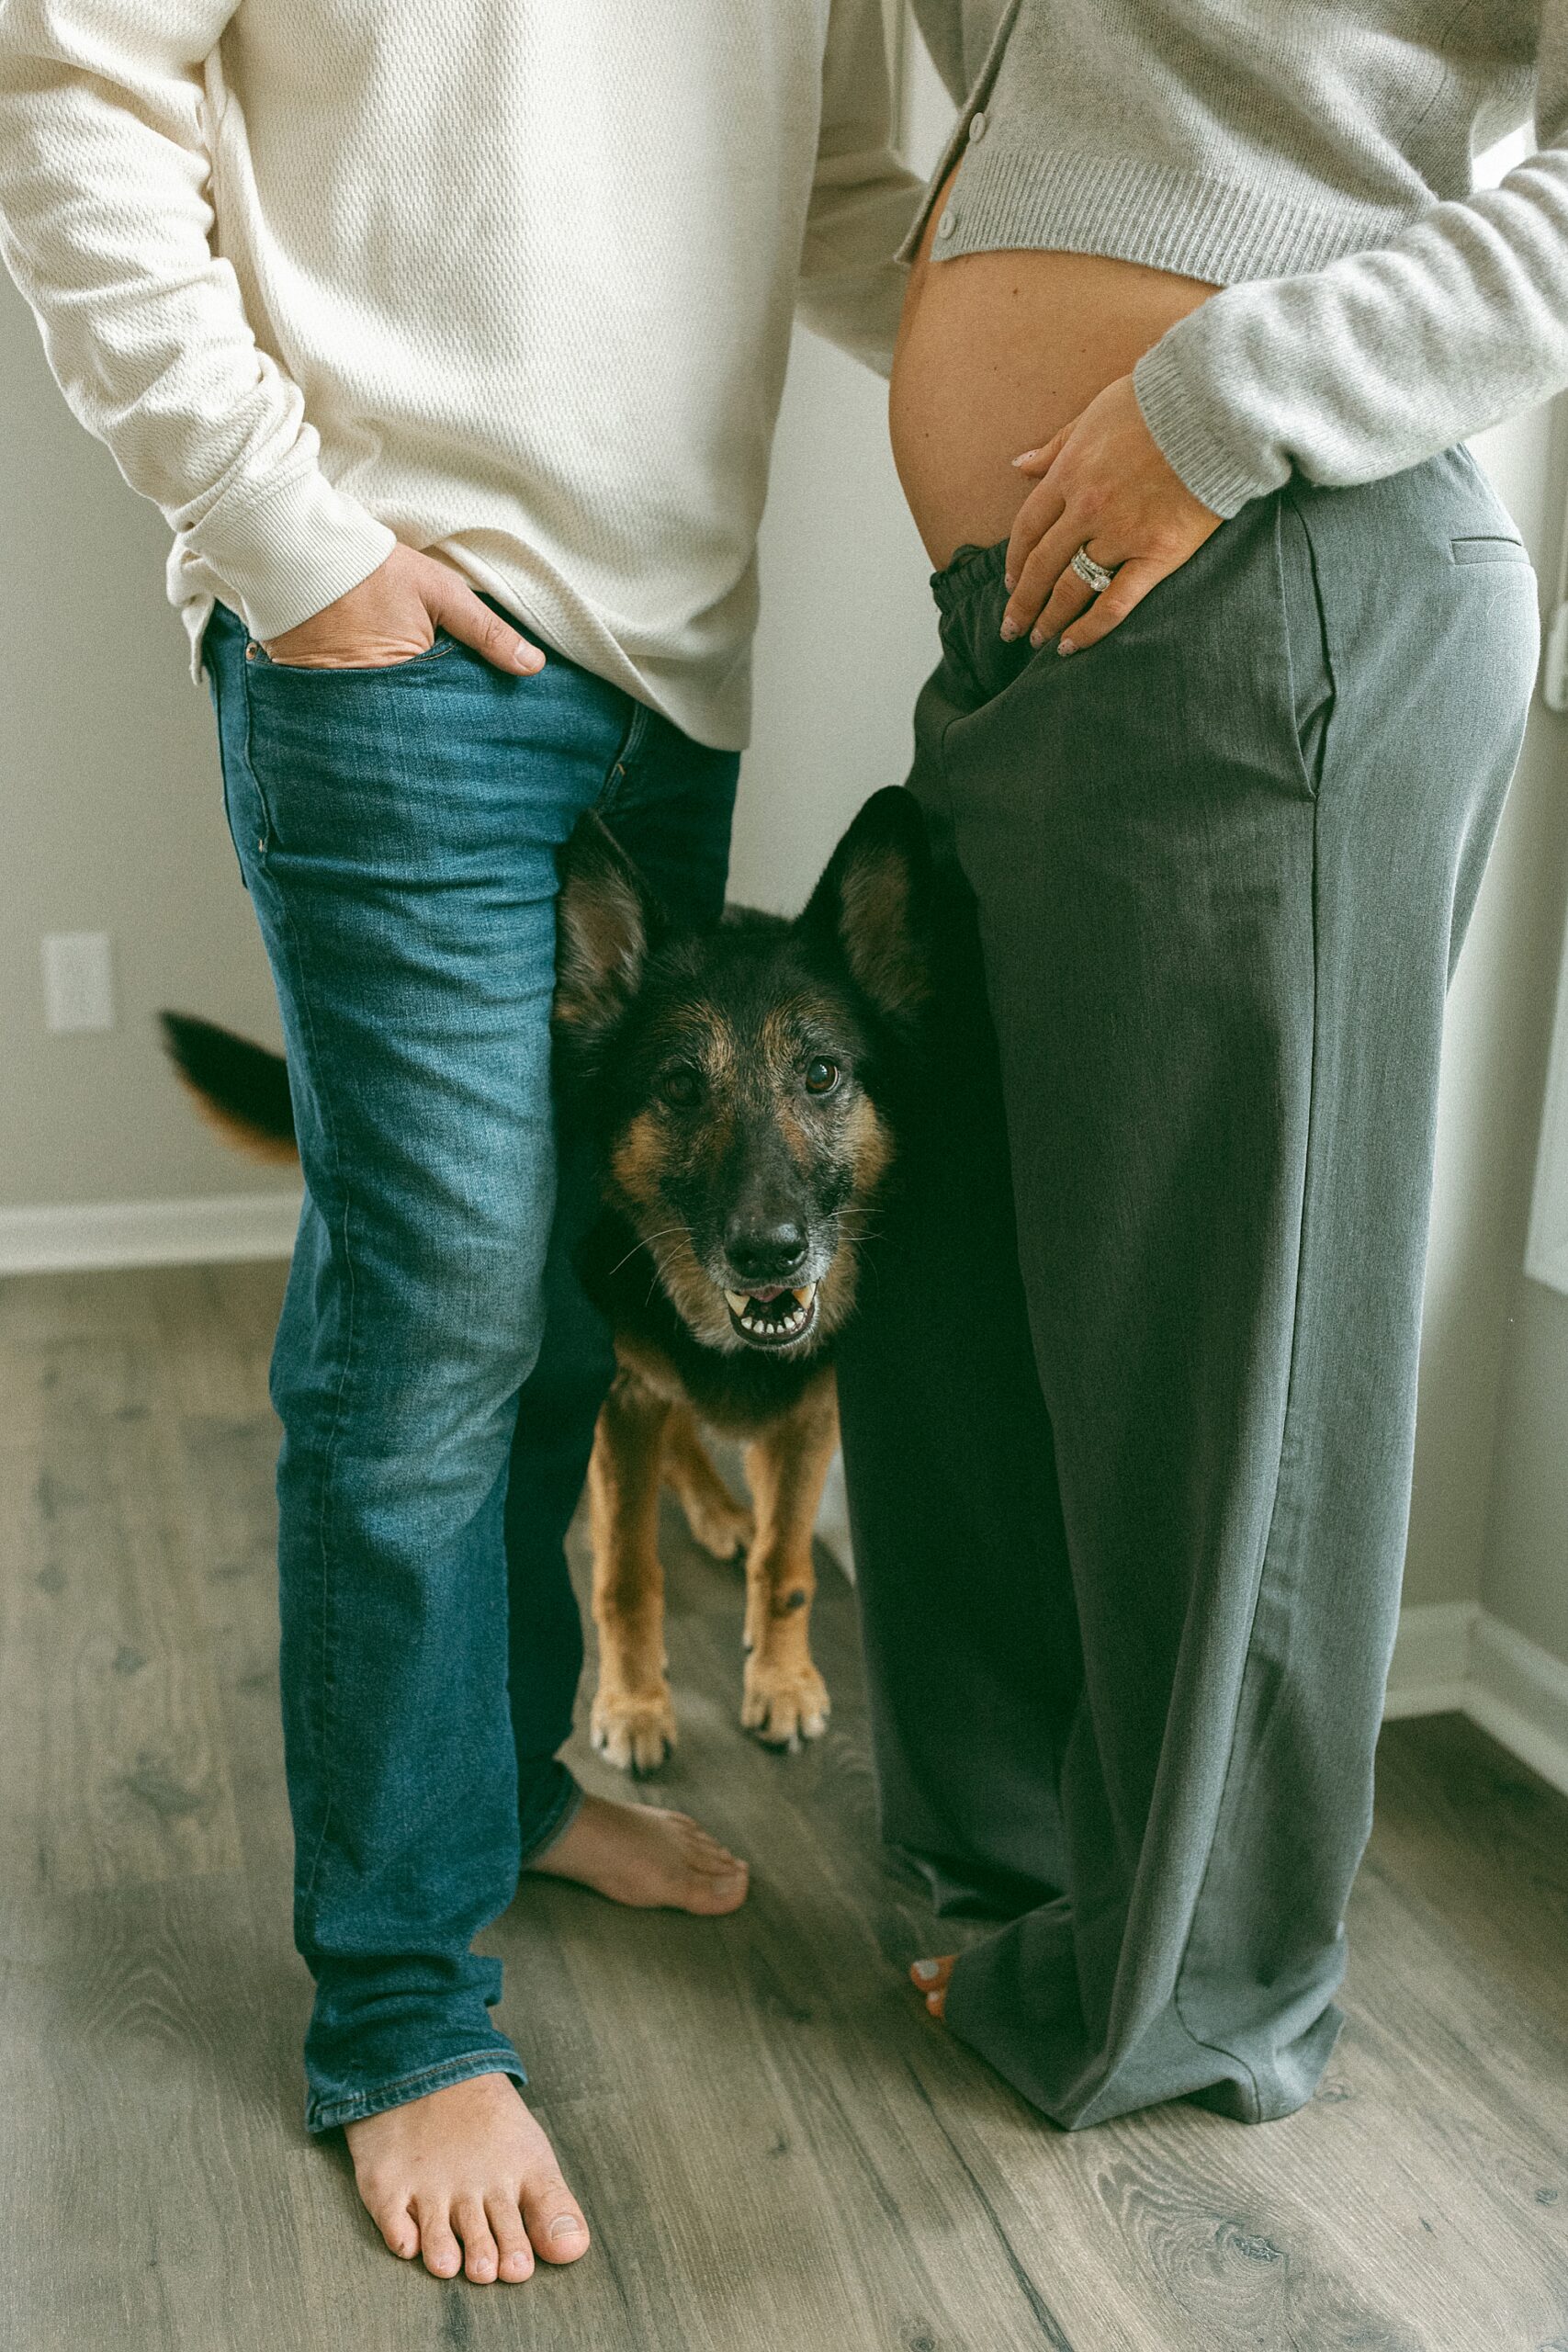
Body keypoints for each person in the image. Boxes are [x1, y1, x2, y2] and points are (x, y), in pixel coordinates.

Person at [0, 0, 919, 2283]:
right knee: (426, 1341)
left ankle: (501, 1792)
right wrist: (277, 532)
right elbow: (70, 77)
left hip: (669, 668)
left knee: (538, 1323)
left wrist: (1125, 398)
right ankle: (404, 2014)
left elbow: (831, 200)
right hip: (387, 633)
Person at [836, 0, 1555, 2127]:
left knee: (1232, 1348)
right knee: (950, 1282)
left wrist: (1218, 397)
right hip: (1027, 628)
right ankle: (1022, 1877)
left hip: (1280, 578)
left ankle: (1195, 1989)